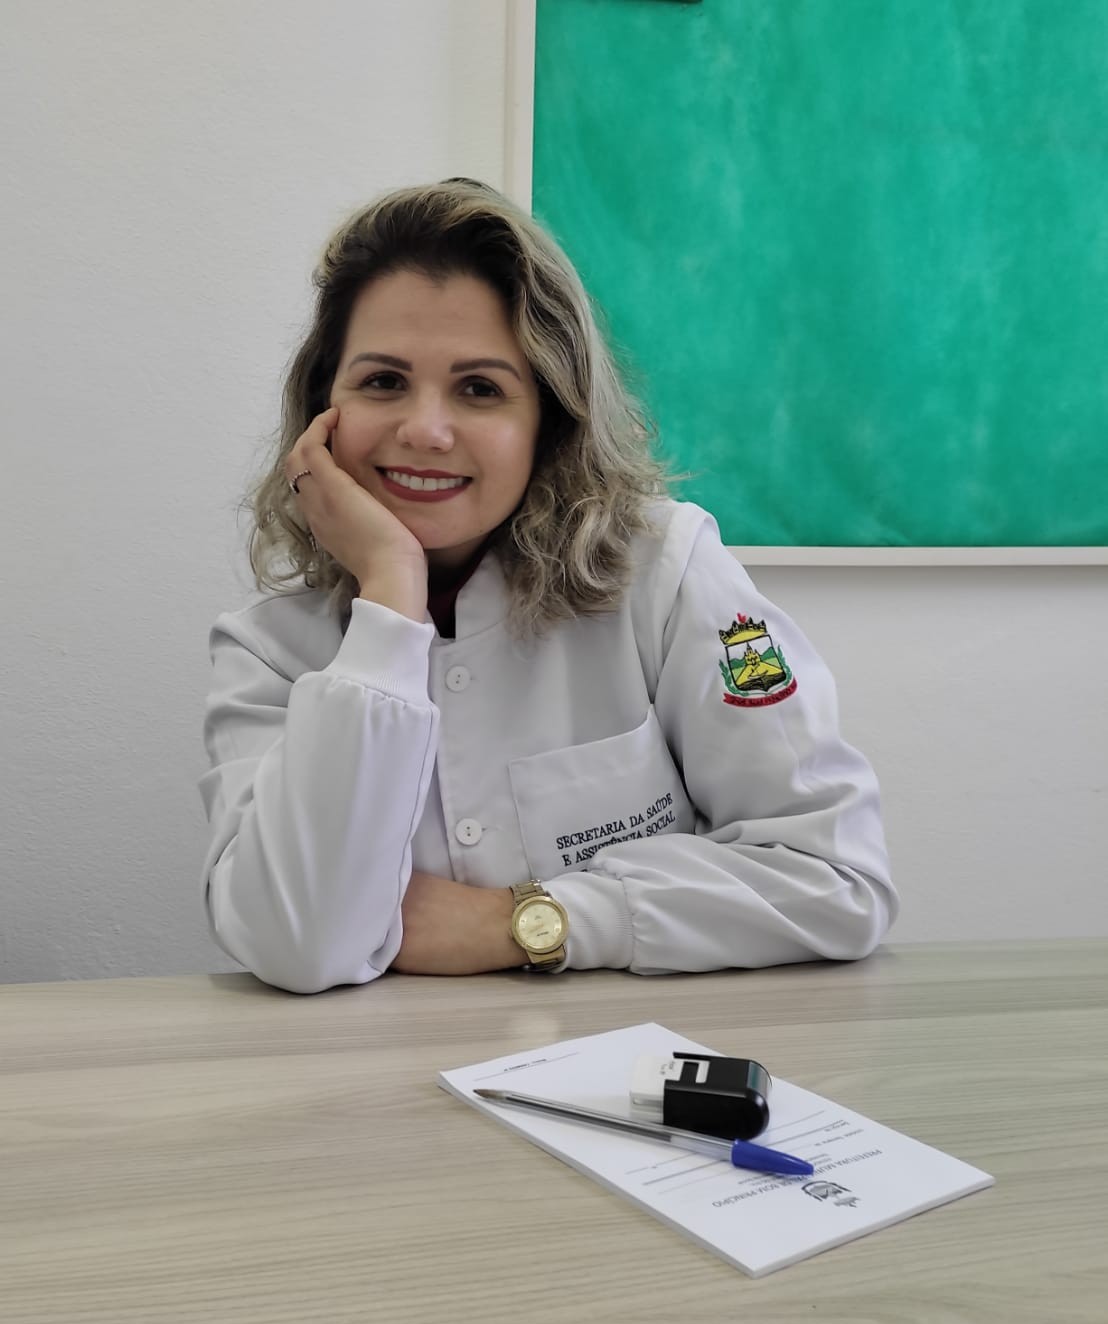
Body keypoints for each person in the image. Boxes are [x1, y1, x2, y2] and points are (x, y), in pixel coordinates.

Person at [199, 179, 897, 993]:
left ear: (551, 421)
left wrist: (525, 920)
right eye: (383, 381)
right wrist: (389, 590)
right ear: (324, 410)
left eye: (480, 388)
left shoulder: (665, 575)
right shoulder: (267, 652)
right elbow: (299, 945)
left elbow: (836, 878)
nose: (425, 430)